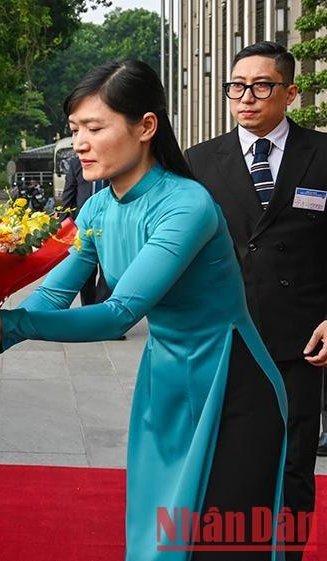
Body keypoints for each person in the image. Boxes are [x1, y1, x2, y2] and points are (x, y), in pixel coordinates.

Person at [0, 60, 288, 560]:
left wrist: (8, 323)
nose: (79, 143)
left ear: (146, 127)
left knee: (221, 545)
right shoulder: (98, 208)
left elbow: (120, 312)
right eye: (75, 129)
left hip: (232, 385)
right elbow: (54, 294)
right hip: (163, 383)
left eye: (95, 128)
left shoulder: (186, 204)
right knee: (156, 536)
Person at [185, 41, 327, 558]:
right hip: (222, 338)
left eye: (261, 86)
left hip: (299, 340)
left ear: (290, 92)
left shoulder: (323, 155)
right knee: (228, 459)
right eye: (236, 87)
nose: (246, 97)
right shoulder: (199, 162)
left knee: (292, 464)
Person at [61, 156, 112, 306]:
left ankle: (100, 310)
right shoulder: (77, 163)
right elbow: (68, 197)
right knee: (86, 273)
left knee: (108, 271)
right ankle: (88, 308)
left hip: (110, 224)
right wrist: (64, 229)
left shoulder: (112, 159)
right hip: (84, 226)